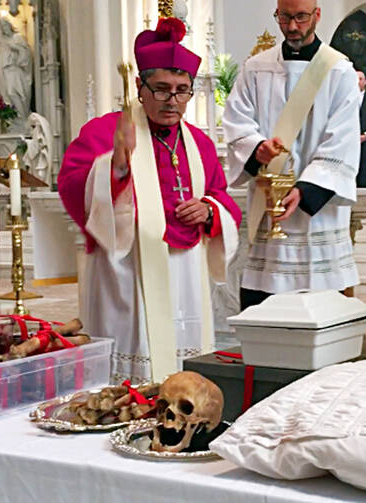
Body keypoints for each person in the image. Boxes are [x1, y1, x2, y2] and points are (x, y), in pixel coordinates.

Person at [58, 18, 241, 383]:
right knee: (131, 362)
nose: (172, 101)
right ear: (140, 88)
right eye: (161, 89)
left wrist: (209, 209)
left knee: (181, 359)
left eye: (181, 90)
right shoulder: (103, 130)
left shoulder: (200, 143)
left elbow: (221, 194)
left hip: (185, 271)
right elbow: (71, 184)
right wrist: (116, 166)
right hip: (128, 270)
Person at [224, 0, 360, 310]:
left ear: (317, 15)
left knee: (320, 310)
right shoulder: (256, 68)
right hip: (267, 199)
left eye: (301, 17)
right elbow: (236, 119)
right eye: (284, 17)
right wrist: (256, 147)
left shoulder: (339, 70)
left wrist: (305, 189)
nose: (293, 26)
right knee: (265, 307)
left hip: (317, 214)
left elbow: (343, 139)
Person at [0, 17, 32, 132]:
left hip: (14, 69)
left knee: (14, 92)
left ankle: (23, 118)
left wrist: (15, 48)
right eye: (1, 27)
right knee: (6, 96)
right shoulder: (1, 40)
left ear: (9, 26)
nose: (4, 29)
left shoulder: (17, 38)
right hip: (3, 71)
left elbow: (26, 53)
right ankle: (13, 120)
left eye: (5, 26)